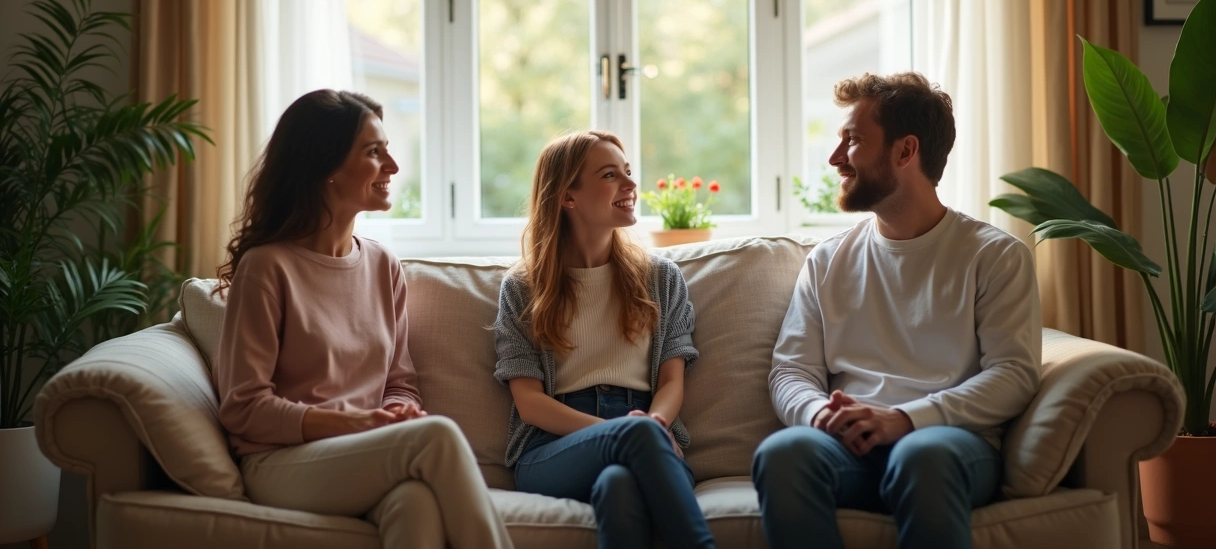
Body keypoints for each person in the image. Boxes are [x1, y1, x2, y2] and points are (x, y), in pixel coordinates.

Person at [751, 72, 1041, 549]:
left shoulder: (994, 256)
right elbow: (790, 371)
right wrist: (818, 413)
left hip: (946, 443)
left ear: (906, 152)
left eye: (853, 141)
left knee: (921, 458)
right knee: (784, 453)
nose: (835, 158)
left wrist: (905, 420)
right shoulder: (827, 261)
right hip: (847, 450)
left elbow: (1014, 374)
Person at [213, 89, 513, 549]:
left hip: (358, 453)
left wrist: (395, 409)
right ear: (326, 167)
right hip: (281, 463)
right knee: (434, 436)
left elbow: (400, 380)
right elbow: (244, 407)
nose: (392, 166)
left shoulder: (381, 265)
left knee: (415, 503)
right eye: (374, 152)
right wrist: (355, 423)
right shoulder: (267, 268)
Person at [493, 130, 716, 549]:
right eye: (611, 175)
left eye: (628, 172)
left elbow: (671, 382)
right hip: (554, 448)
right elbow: (530, 403)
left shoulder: (662, 278)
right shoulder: (523, 288)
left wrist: (652, 427)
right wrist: (627, 434)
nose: (631, 185)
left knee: (619, 485)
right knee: (634, 443)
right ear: (567, 197)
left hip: (650, 428)